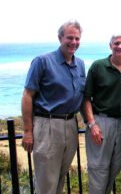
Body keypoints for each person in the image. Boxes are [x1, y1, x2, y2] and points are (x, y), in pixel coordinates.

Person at [21, 20, 85, 194]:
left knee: (59, 179)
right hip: (47, 124)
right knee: (46, 182)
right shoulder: (42, 61)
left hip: (70, 124)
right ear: (60, 38)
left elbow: (81, 96)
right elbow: (27, 95)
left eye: (77, 38)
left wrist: (91, 123)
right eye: (69, 38)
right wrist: (27, 131)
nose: (73, 42)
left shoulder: (80, 64)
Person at [83, 34, 121, 194]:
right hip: (101, 122)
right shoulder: (98, 66)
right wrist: (92, 124)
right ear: (110, 45)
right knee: (99, 169)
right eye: (116, 43)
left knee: (116, 166)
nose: (120, 46)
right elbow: (86, 98)